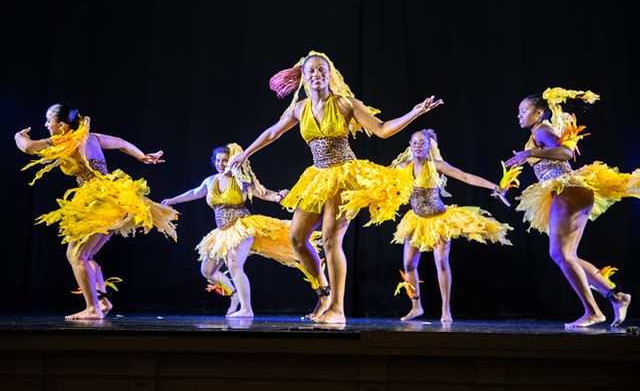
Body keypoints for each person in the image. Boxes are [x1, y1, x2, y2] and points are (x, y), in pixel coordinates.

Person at [229, 50, 443, 323]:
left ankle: (338, 310)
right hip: (317, 176)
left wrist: (413, 113)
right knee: (296, 237)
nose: (317, 75)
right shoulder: (300, 108)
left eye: (322, 70)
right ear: (304, 79)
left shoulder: (344, 104)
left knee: (331, 240)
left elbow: (382, 128)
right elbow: (273, 132)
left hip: (343, 175)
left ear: (331, 75)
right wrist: (245, 153)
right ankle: (324, 293)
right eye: (311, 72)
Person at [15, 102, 178, 320]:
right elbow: (121, 143)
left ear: (62, 125)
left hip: (98, 200)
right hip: (115, 196)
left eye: (49, 121)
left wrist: (18, 135)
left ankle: (93, 309)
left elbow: (28, 147)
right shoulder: (92, 137)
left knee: (76, 255)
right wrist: (142, 156)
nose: (46, 125)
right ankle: (101, 301)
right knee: (86, 255)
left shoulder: (66, 140)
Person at [504, 87, 639, 328]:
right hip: (571, 192)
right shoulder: (538, 132)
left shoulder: (543, 130)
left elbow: (566, 153)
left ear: (539, 113)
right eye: (518, 111)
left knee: (560, 254)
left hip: (567, 190)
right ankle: (616, 296)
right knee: (568, 255)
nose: (519, 115)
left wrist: (530, 152)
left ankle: (593, 311)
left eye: (524, 110)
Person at [347, 129, 513, 322]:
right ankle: (416, 306)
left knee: (441, 262)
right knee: (408, 264)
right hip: (417, 220)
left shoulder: (436, 165)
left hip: (439, 219)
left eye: (422, 143)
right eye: (414, 143)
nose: (418, 146)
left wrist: (494, 187)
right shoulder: (403, 167)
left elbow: (465, 177)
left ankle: (445, 310)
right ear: (410, 146)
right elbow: (379, 180)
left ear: (429, 146)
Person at [162, 143, 317, 318]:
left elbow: (264, 193)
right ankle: (235, 296)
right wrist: (173, 200)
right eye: (218, 160)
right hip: (222, 232)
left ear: (233, 161)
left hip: (242, 228)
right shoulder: (210, 181)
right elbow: (195, 192)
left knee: (234, 265)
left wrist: (279, 196)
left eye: (225, 160)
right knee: (208, 270)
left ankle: (246, 309)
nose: (221, 164)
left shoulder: (241, 181)